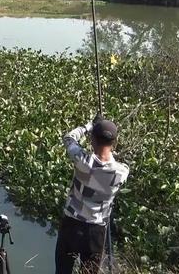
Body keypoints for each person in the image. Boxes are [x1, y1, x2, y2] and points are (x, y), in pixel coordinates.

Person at [55, 114, 129, 274]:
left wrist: (89, 125)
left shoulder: (82, 161)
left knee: (63, 270)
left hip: (71, 225)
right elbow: (109, 162)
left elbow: (69, 138)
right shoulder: (122, 172)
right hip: (96, 232)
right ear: (114, 143)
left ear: (92, 140)